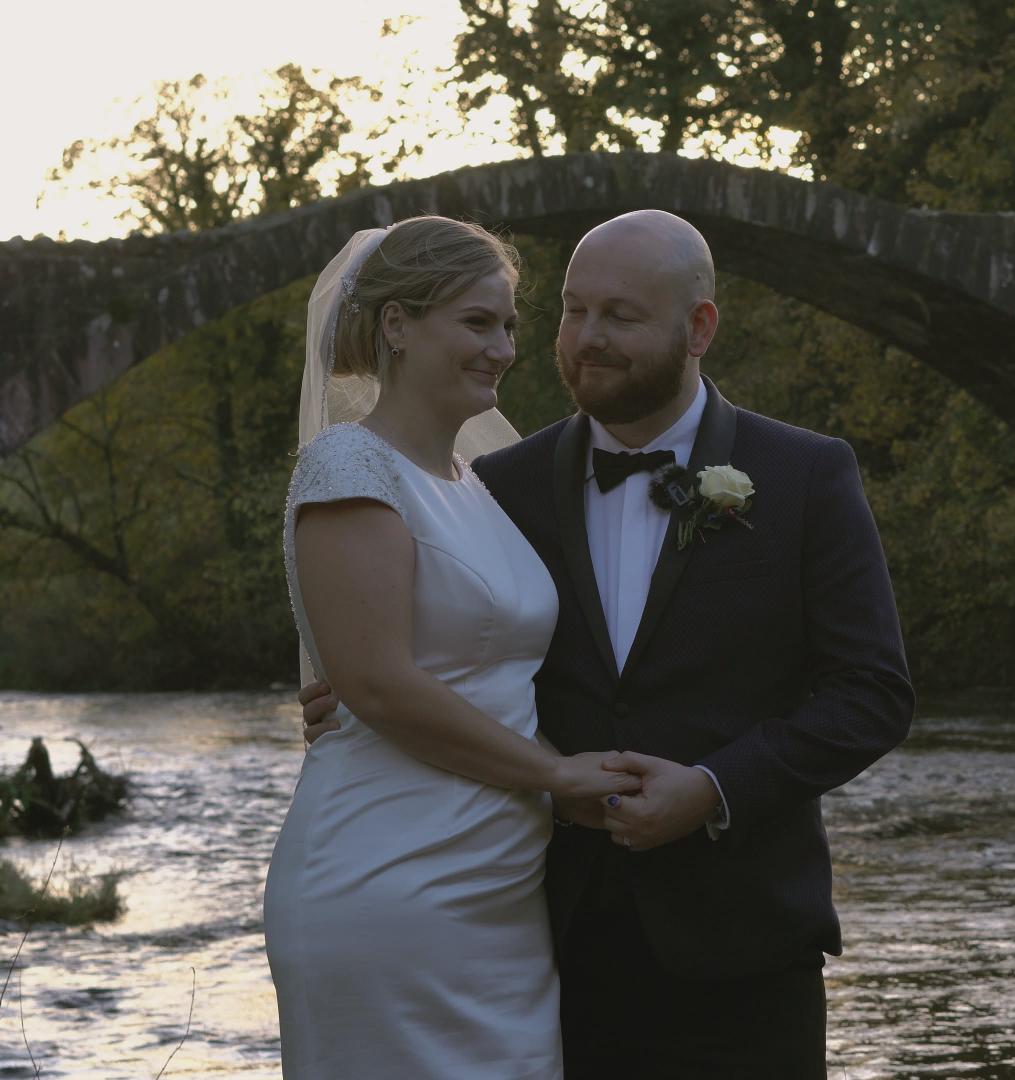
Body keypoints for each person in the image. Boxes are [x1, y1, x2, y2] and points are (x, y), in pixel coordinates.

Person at [300, 209, 915, 1078]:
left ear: (698, 326)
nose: (586, 339)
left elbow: (872, 693)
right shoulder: (495, 487)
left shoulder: (806, 476)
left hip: (742, 942)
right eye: (571, 311)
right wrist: (353, 698)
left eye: (620, 316)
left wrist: (714, 788)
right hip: (539, 936)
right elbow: (429, 652)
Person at [266, 215, 646, 1078]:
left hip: (499, 894)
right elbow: (380, 686)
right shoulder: (347, 470)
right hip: (387, 879)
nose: (505, 348)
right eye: (477, 322)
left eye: (510, 325)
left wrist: (569, 789)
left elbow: (493, 685)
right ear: (396, 324)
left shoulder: (476, 485)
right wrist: (553, 775)